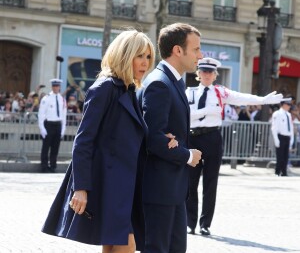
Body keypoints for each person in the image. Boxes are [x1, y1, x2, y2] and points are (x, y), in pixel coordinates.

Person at [41, 29, 178, 253]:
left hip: (124, 186)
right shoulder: (105, 88)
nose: (145, 63)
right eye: (139, 56)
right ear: (125, 55)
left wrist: (162, 138)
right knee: (126, 244)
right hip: (106, 184)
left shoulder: (129, 89)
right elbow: (83, 141)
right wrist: (81, 188)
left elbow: (128, 136)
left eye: (148, 57)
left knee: (114, 245)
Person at [185, 57, 284, 236]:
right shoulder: (189, 92)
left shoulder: (220, 93)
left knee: (210, 182)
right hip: (193, 138)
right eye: (203, 71)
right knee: (190, 182)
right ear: (198, 74)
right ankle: (189, 222)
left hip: (212, 137)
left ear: (215, 75)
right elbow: (187, 116)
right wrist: (207, 111)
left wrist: (263, 100)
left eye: (210, 72)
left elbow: (241, 98)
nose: (206, 75)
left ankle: (205, 223)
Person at [137, 23, 202, 253]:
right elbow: (154, 138)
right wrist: (187, 155)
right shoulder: (159, 83)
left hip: (172, 188)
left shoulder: (171, 81)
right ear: (178, 50)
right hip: (159, 189)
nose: (200, 55)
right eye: (196, 49)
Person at [38, 78, 67, 173]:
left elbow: (64, 115)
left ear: (59, 87)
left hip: (58, 125)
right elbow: (41, 114)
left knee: (55, 147)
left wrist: (63, 129)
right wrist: (42, 128)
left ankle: (53, 166)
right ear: (52, 87)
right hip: (48, 124)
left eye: (57, 86)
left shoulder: (62, 99)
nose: (56, 88)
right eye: (54, 86)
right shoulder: (46, 98)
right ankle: (44, 166)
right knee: (46, 147)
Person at [271, 99, 294, 176]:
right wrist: (276, 139)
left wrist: (291, 138)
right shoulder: (277, 114)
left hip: (287, 137)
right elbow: (274, 128)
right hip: (280, 136)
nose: (289, 106)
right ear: (283, 104)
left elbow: (291, 127)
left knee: (285, 156)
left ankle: (284, 172)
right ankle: (277, 172)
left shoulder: (288, 114)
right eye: (288, 105)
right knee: (280, 156)